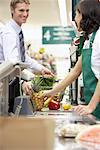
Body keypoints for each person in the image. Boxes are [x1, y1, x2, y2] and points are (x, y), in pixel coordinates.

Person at [42, 0, 100, 119]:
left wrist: (91, 106)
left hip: (95, 103)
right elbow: (75, 71)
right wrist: (52, 92)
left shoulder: (99, 37)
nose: (75, 19)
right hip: (94, 104)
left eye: (76, 15)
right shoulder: (88, 41)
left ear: (85, 15)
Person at [0, 0, 54, 113]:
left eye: (27, 10)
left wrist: (41, 69)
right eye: (21, 10)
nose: (25, 14)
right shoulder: (9, 33)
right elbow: (11, 63)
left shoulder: (17, 31)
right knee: (7, 117)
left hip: (12, 81)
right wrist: (22, 82)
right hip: (6, 84)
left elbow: (23, 57)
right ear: (12, 11)